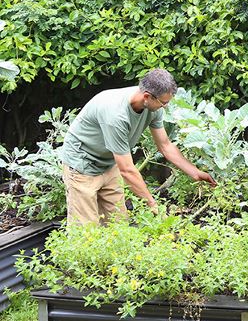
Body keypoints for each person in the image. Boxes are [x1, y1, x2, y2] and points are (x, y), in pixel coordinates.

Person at [59, 69, 216, 226]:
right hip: (82, 163)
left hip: (109, 162)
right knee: (86, 229)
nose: (165, 107)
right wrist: (153, 205)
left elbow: (165, 145)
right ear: (147, 96)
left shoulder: (153, 106)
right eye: (163, 103)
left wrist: (195, 173)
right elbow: (127, 170)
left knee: (118, 224)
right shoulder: (116, 115)